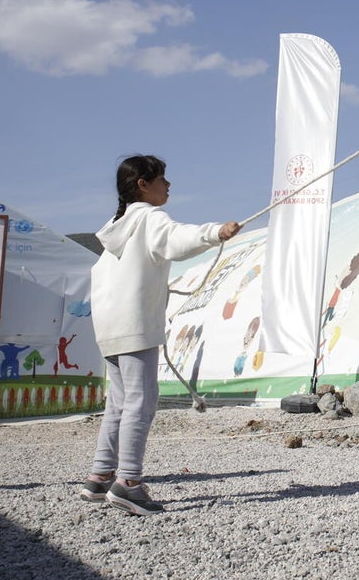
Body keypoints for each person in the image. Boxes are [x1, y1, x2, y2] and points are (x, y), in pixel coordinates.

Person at [81, 155, 240, 514]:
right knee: (141, 399)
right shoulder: (150, 218)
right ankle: (129, 483)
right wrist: (216, 231)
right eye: (162, 179)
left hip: (108, 325)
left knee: (118, 403)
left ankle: (100, 476)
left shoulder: (115, 226)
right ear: (142, 184)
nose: (168, 185)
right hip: (135, 323)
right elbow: (177, 239)